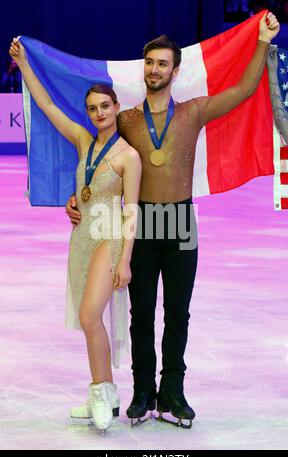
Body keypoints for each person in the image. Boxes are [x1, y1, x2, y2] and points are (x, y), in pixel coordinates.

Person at [66, 12, 280, 428]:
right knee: (141, 312)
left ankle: (173, 391)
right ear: (144, 68)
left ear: (175, 71)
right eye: (149, 63)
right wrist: (80, 195)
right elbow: (97, 158)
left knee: (177, 313)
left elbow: (244, 88)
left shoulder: (194, 112)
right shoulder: (126, 119)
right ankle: (143, 390)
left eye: (163, 63)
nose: (154, 69)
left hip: (180, 221)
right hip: (142, 221)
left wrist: (260, 40)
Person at [9, 38, 142, 433]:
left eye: (105, 106)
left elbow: (131, 209)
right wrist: (24, 65)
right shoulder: (85, 141)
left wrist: (124, 260)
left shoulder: (128, 157)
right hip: (82, 236)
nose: (98, 113)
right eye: (92, 108)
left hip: (109, 235)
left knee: (88, 316)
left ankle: (103, 393)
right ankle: (102, 391)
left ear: (117, 108)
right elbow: (48, 107)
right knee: (89, 321)